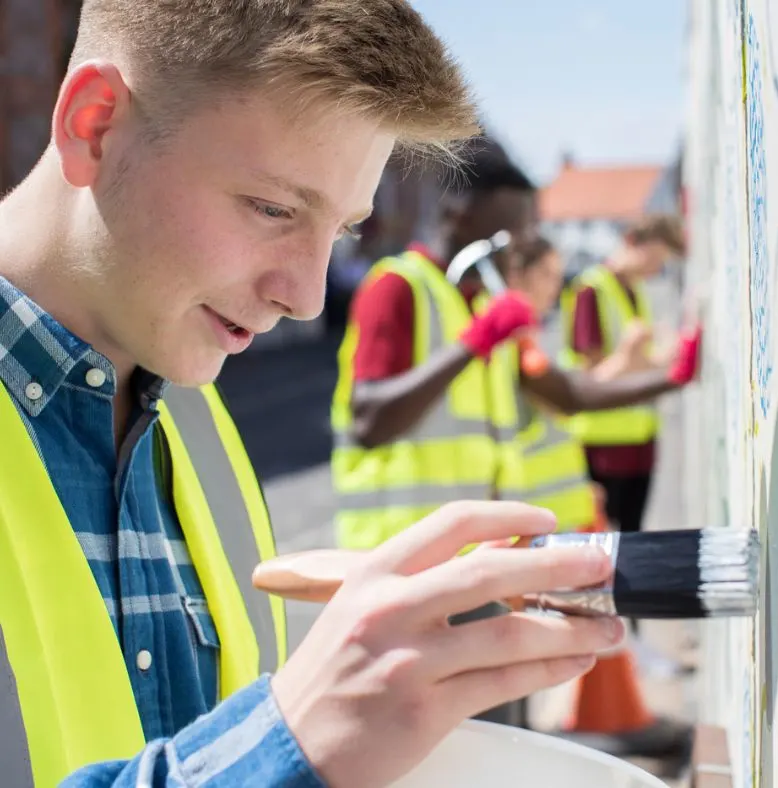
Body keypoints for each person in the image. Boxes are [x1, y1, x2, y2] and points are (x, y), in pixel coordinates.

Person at [0, 3, 633, 786]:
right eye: (272, 209)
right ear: (93, 125)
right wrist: (285, 745)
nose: (304, 297)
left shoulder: (197, 421)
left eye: (338, 232)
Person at [330, 144, 701, 724]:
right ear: (459, 215)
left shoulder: (487, 305)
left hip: (480, 568)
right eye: (509, 239)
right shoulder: (396, 288)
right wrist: (472, 343)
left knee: (505, 731)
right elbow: (370, 422)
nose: (522, 252)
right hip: (406, 571)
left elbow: (567, 394)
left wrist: (672, 378)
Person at [505, 236, 693, 762]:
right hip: (536, 512)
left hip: (552, 504)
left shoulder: (521, 334)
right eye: (547, 276)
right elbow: (575, 394)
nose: (554, 291)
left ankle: (531, 743)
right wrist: (669, 377)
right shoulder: (516, 334)